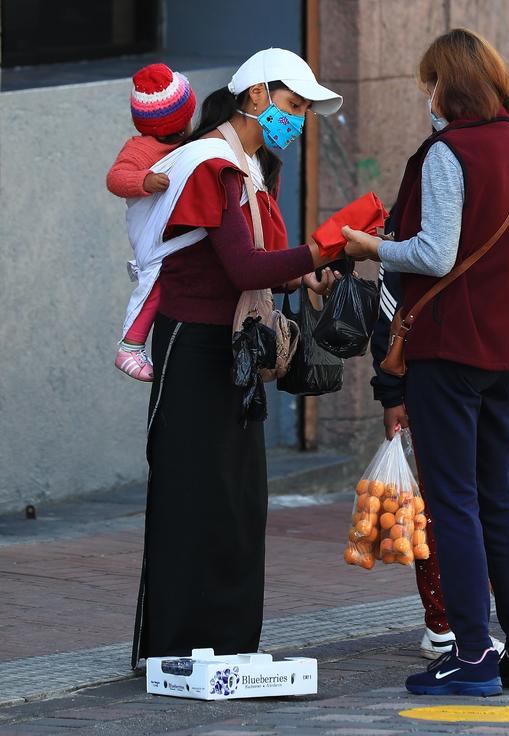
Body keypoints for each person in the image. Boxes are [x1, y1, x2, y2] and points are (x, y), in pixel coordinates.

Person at [344, 28, 509, 696]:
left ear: (447, 86)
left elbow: (436, 254)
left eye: (429, 85)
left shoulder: (447, 153)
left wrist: (372, 247)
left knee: (455, 502)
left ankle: (471, 656)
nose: (426, 99)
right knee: (497, 498)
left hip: (450, 348)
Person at [131, 48, 343, 669]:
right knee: (188, 499)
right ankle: (174, 650)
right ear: (256, 97)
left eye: (304, 109)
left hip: (230, 349)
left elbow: (258, 269)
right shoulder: (213, 165)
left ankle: (227, 644)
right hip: (191, 348)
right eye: (294, 104)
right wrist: (321, 251)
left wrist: (306, 274)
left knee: (238, 500)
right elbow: (242, 266)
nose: (299, 119)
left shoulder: (250, 166)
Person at [371, 265, 509, 660]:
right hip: (500, 364)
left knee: (452, 504)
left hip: (444, 360)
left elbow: (394, 297)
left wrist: (390, 389)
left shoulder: (432, 201)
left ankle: (466, 644)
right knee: (495, 503)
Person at [107, 63, 197, 382]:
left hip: (177, 235)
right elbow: (116, 179)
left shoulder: (191, 146)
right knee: (154, 287)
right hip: (154, 235)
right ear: (183, 116)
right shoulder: (141, 149)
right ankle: (130, 345)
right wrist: (145, 181)